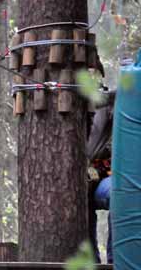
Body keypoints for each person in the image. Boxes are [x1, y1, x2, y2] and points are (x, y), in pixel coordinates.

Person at [87, 105, 113, 264]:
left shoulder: (105, 106)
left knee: (119, 194)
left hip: (106, 177)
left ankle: (115, 261)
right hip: (79, 180)